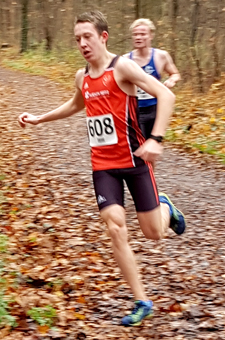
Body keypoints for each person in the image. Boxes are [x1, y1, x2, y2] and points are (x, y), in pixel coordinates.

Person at [18, 10, 186, 327]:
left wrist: (156, 139)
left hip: (135, 161)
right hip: (104, 166)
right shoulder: (82, 76)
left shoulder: (122, 67)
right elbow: (76, 104)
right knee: (115, 226)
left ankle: (166, 207)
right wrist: (40, 118)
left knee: (153, 234)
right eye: (77, 39)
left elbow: (166, 93)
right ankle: (141, 300)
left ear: (103, 37)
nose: (82, 43)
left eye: (87, 37)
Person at [124, 18, 181, 140]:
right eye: (135, 34)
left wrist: (172, 80)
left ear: (151, 36)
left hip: (155, 109)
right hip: (134, 110)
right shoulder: (125, 60)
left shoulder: (161, 56)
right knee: (138, 146)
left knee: (152, 144)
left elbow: (175, 73)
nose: (138, 37)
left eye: (143, 34)